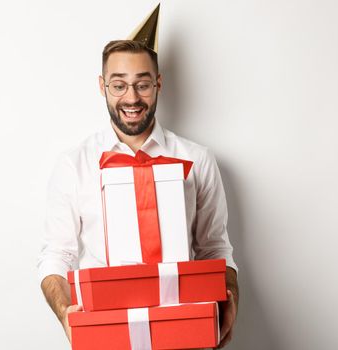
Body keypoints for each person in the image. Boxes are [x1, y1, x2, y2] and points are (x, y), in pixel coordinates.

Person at [37, 38, 239, 349]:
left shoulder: (197, 159)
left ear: (158, 83)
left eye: (142, 85)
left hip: (182, 334)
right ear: (102, 86)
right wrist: (66, 313)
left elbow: (214, 247)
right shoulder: (73, 164)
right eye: (119, 85)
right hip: (105, 335)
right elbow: (57, 255)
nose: (131, 98)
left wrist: (230, 297)